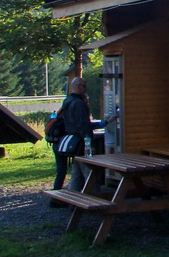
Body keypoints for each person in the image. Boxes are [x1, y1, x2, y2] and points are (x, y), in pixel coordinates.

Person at [50, 76, 118, 207]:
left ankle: (73, 202)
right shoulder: (79, 104)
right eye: (85, 87)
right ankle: (95, 202)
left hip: (73, 143)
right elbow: (84, 125)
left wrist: (104, 122)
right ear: (79, 87)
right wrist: (90, 144)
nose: (86, 89)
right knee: (91, 173)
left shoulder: (67, 101)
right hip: (82, 143)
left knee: (77, 173)